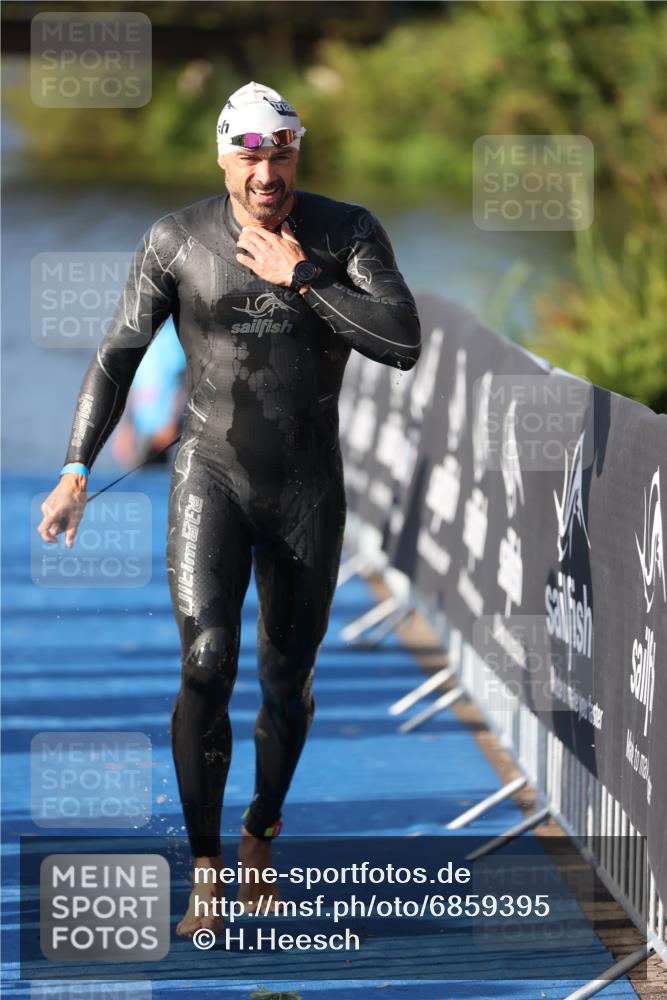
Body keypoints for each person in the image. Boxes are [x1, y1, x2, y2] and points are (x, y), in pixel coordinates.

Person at [37, 81, 421, 937]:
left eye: (280, 150)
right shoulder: (175, 240)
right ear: (223, 157)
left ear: (297, 152)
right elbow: (117, 355)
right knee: (207, 661)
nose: (265, 169)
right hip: (207, 474)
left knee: (287, 684)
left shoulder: (344, 232)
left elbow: (401, 341)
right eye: (249, 151)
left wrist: (304, 275)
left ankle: (260, 833)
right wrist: (74, 468)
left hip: (306, 491)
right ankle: (207, 865)